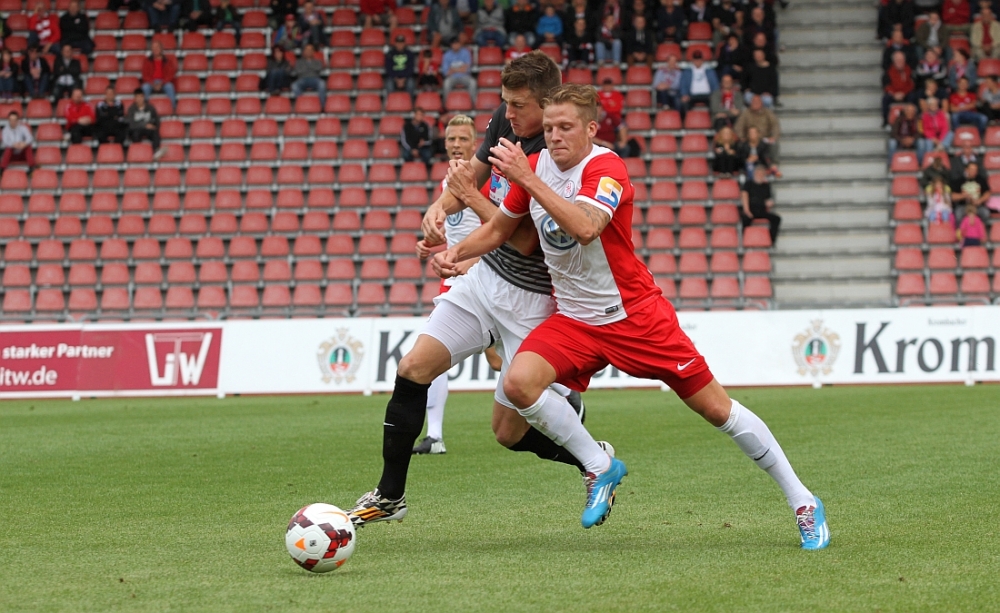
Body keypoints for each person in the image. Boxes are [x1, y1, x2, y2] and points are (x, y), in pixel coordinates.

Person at [432, 83, 828, 547]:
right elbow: (500, 229)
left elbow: (585, 228)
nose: (555, 136)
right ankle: (599, 465)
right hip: (575, 322)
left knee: (716, 409)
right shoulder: (535, 166)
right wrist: (457, 252)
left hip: (634, 317)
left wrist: (528, 179)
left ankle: (803, 501)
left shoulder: (606, 167)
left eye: (566, 127)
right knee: (519, 383)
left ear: (590, 129)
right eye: (550, 127)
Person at [347, 52, 590, 527]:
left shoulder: (554, 157)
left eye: (518, 105)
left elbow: (524, 241)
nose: (507, 113)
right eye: (505, 103)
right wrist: (440, 206)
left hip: (532, 300)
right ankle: (390, 496)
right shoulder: (507, 120)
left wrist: (470, 200)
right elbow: (471, 176)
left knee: (508, 433)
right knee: (413, 368)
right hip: (485, 280)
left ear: (546, 104)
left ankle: (590, 456)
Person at [412, 114, 505, 455]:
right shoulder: (448, 183)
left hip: (484, 274)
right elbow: (454, 230)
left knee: (500, 360)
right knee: (433, 354)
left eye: (463, 139)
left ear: (475, 143)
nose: (455, 144)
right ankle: (434, 435)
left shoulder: (486, 181)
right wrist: (429, 243)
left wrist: (471, 261)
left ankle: (563, 394)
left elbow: (499, 231)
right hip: (454, 278)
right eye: (451, 139)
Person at [740, 164, 781, 243]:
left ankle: (771, 240)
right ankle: (744, 240)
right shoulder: (748, 184)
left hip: (761, 210)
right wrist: (747, 210)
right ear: (755, 174)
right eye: (758, 173)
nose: (760, 175)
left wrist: (770, 203)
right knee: (745, 219)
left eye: (762, 174)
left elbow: (768, 200)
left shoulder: (766, 186)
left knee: (776, 219)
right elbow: (744, 196)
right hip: (751, 210)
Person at [126, 88, 167, 159]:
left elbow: (157, 119)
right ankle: (138, 153)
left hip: (148, 129)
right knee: (135, 134)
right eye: (137, 97)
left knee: (155, 132)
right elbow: (131, 124)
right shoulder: (131, 109)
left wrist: (154, 126)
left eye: (141, 97)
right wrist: (144, 125)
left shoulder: (150, 108)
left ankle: (156, 151)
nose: (139, 99)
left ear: (144, 97)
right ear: (135, 98)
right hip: (137, 129)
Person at [141, 40, 177, 111]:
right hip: (151, 82)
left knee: (170, 87)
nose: (155, 49)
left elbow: (171, 75)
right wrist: (152, 83)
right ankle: (144, 110)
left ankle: (173, 109)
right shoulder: (147, 61)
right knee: (145, 87)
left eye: (157, 47)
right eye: (153, 48)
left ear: (161, 49)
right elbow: (145, 75)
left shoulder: (168, 61)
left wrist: (162, 83)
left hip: (164, 82)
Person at [679, 51, 718, 115]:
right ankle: (687, 120)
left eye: (699, 59)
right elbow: (683, 84)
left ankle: (714, 119)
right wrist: (684, 94)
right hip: (692, 95)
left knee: (715, 102)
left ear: (702, 60)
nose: (697, 61)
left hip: (707, 95)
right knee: (684, 103)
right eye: (696, 59)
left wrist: (715, 95)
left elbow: (715, 84)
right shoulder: (687, 72)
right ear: (693, 60)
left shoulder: (710, 71)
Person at [290, 43, 326, 109]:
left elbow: (319, 68)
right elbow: (298, 71)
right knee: (294, 85)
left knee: (322, 84)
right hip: (302, 79)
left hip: (315, 79)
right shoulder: (299, 62)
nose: (308, 51)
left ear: (313, 52)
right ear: (304, 52)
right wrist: (311, 67)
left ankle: (322, 107)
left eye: (310, 50)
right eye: (307, 50)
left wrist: (306, 67)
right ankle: (302, 104)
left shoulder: (318, 61)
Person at [917, 96, 952, 164]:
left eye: (936, 104)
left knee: (950, 134)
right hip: (931, 137)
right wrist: (933, 139)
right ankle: (928, 162)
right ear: (928, 106)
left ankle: (941, 147)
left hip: (941, 137)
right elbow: (925, 130)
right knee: (928, 142)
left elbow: (945, 128)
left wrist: (940, 140)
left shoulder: (942, 114)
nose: (934, 106)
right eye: (932, 104)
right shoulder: (924, 116)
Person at [441, 36, 476, 101]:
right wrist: (461, 68)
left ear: (460, 44)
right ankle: (446, 104)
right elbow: (446, 72)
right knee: (446, 83)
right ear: (451, 45)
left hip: (464, 76)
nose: (456, 45)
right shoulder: (447, 55)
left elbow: (466, 70)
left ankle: (473, 104)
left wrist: (453, 69)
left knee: (472, 82)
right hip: (452, 77)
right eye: (454, 44)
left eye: (457, 43)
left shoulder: (466, 52)